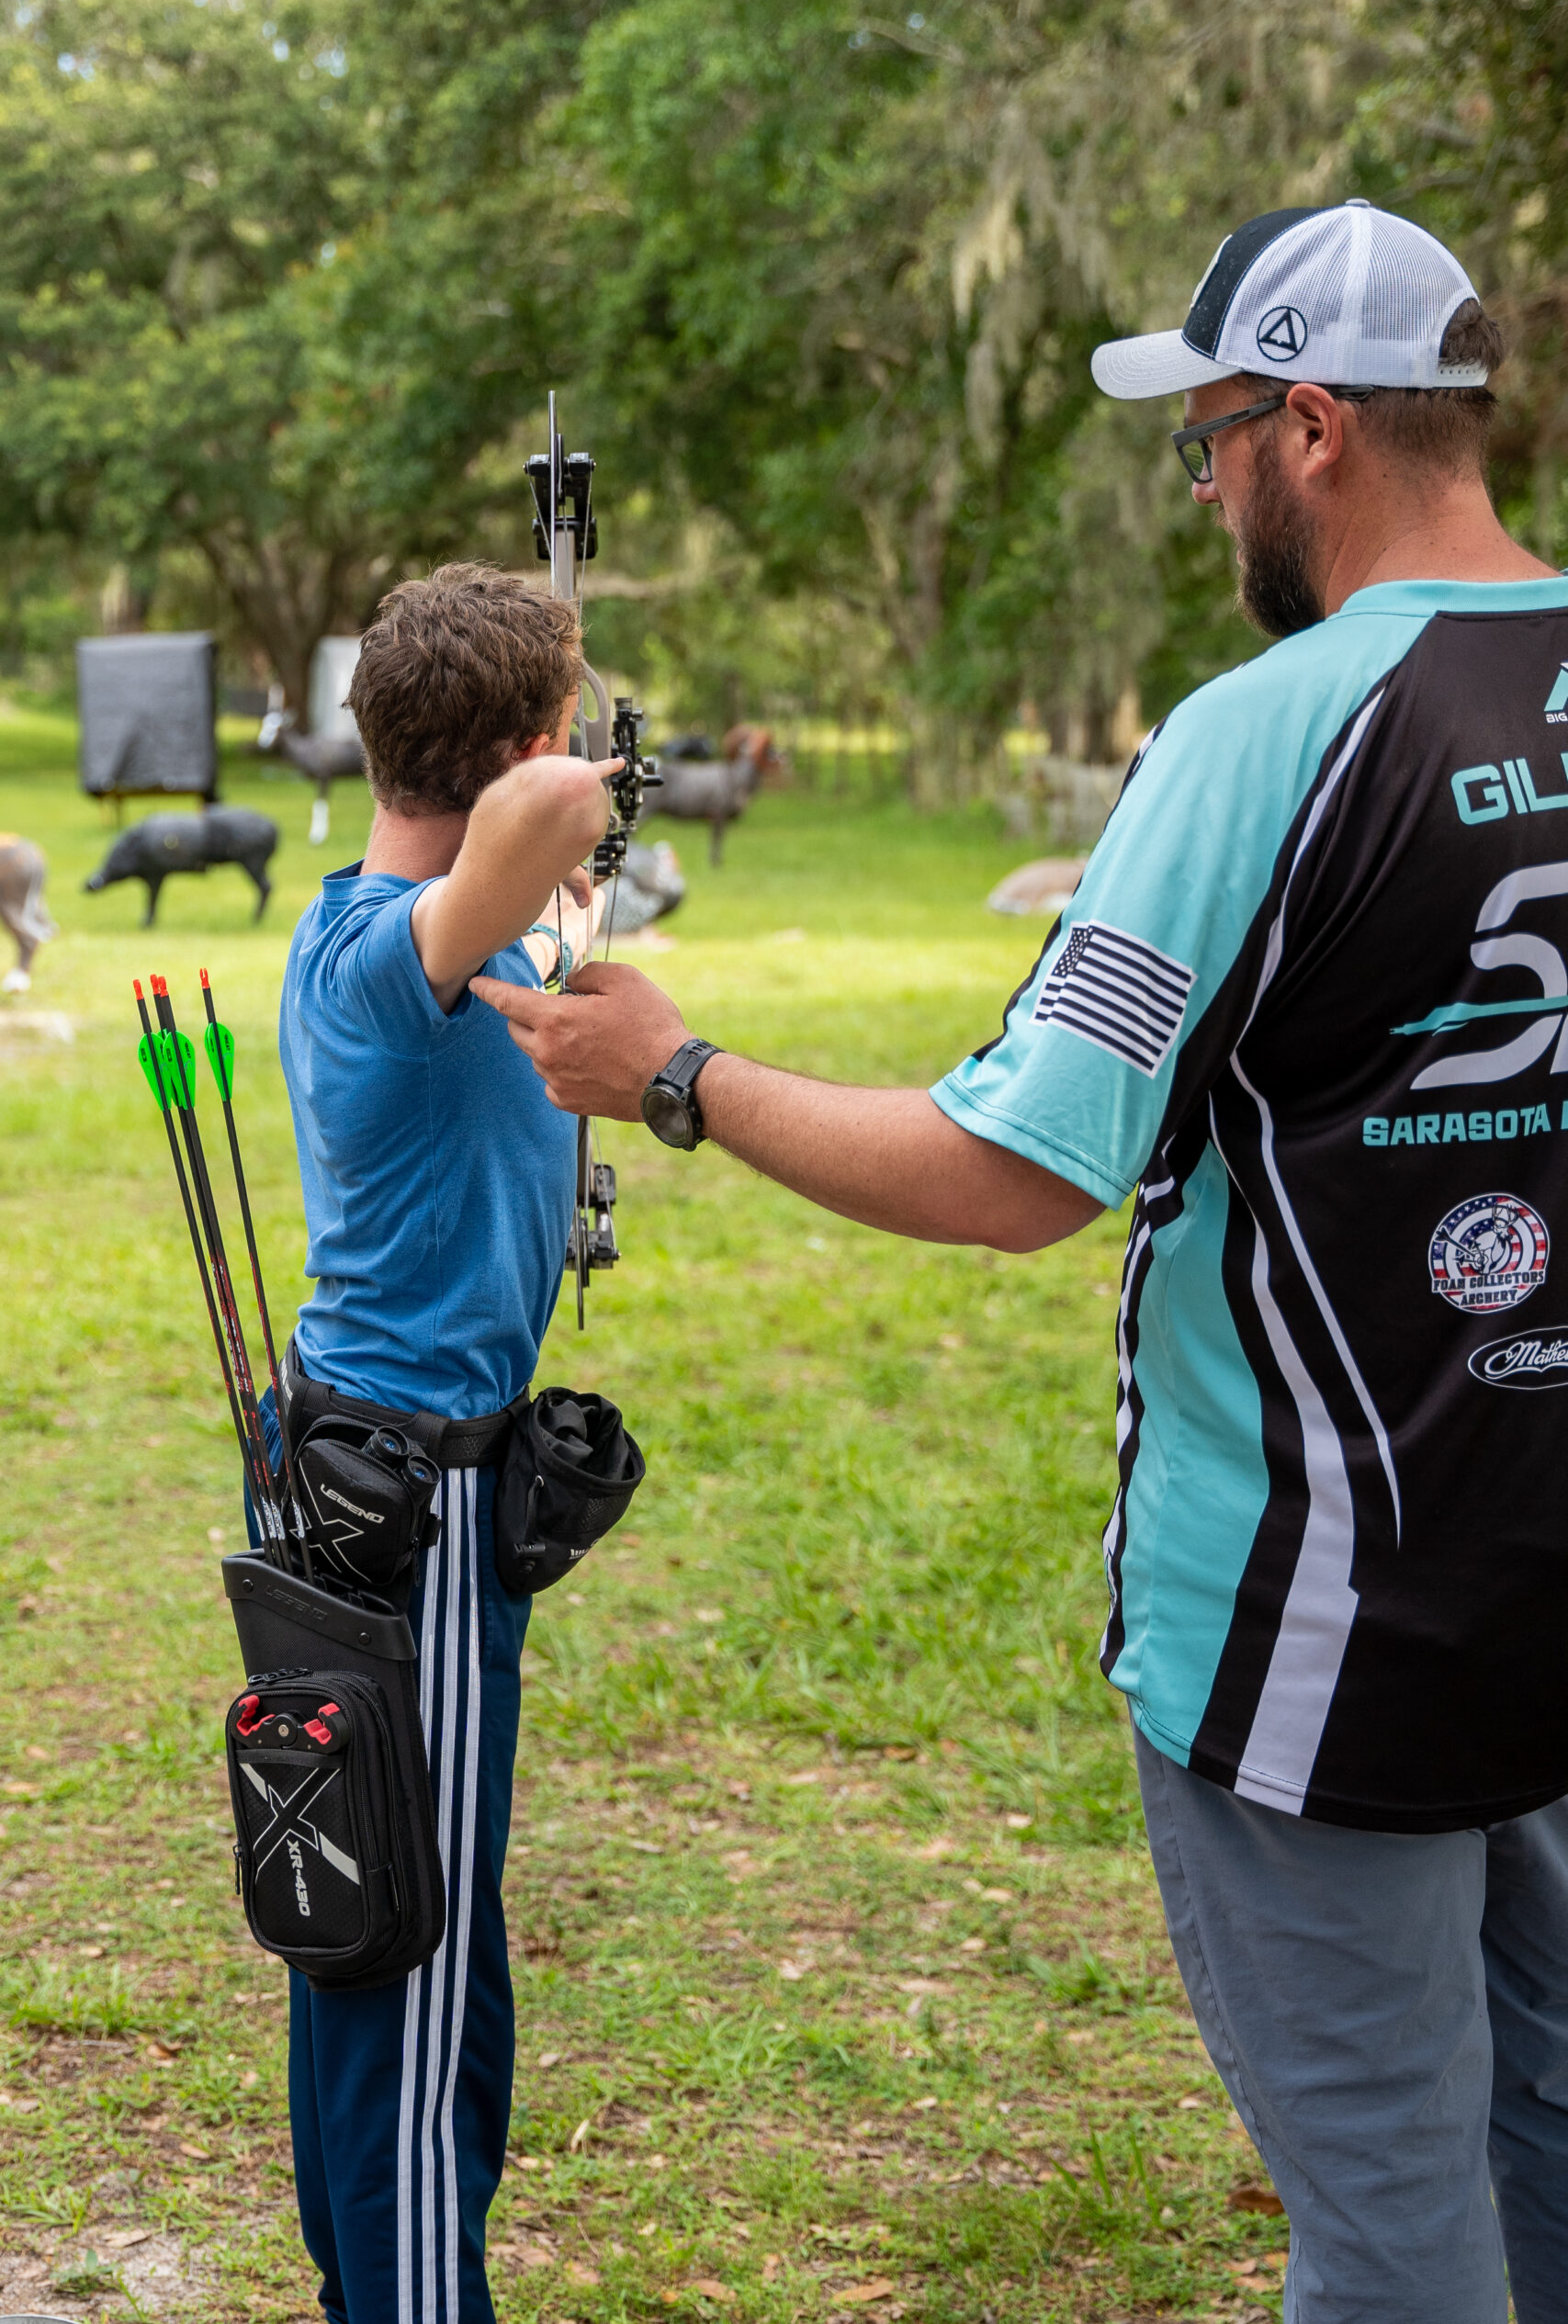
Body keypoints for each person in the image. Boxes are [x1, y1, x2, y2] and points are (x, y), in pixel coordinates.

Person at [472, 204, 1568, 2323]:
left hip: (1327, 1628)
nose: (1199, 487)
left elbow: (1014, 1164)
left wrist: (674, 1073)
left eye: (1208, 437)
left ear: (1312, 428)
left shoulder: (1264, 733)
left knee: (1393, 2243)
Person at [265, 562, 618, 2324]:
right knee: (408, 1956)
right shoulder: (381, 962)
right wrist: (573, 767)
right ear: (517, 757)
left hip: (372, 1476)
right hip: (413, 1503)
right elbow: (543, 819)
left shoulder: (407, 936)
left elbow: (527, 871)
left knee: (383, 1918)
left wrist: (568, 895)